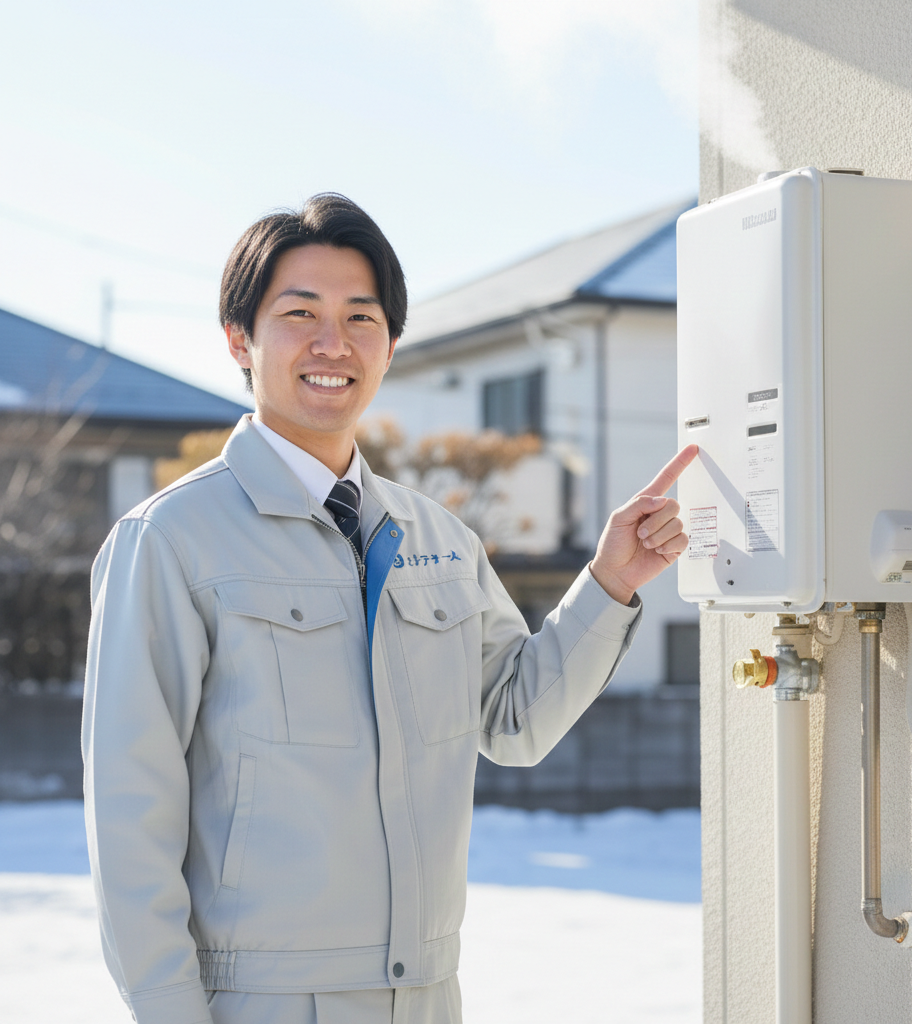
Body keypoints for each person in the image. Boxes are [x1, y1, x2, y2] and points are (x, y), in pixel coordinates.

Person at [82, 193, 698, 1024]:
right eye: (300, 313)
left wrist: (612, 582)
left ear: (390, 343)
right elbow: (130, 813)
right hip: (256, 1000)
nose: (332, 343)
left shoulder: (434, 534)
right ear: (240, 339)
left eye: (360, 318)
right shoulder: (170, 540)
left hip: (427, 994)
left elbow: (513, 720)